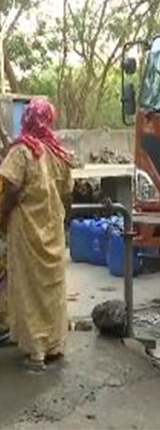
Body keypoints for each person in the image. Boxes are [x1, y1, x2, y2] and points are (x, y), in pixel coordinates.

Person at [0, 98, 73, 371]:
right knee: (52, 288)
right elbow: (68, 194)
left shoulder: (22, 152)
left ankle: (36, 352)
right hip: (53, 229)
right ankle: (54, 345)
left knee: (29, 289)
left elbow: (8, 190)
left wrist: (3, 216)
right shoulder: (58, 153)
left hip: (27, 231)